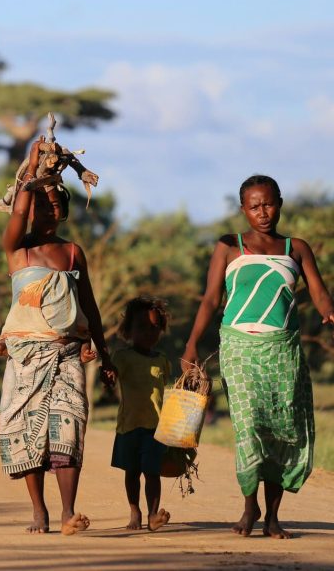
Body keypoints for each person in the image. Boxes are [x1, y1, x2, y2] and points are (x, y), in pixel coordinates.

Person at [181, 174, 334, 539]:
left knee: (281, 431)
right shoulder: (228, 246)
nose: (262, 212)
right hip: (239, 349)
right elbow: (211, 299)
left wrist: (330, 312)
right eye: (254, 206)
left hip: (284, 351)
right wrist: (191, 345)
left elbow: (319, 292)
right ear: (243, 210)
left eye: (268, 204)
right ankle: (250, 507)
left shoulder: (296, 248)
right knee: (249, 428)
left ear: (279, 202)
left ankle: (273, 517)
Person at [0, 136, 116, 535]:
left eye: (57, 203)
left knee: (70, 426)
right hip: (26, 357)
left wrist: (105, 352)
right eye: (43, 204)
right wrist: (32, 168)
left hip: (67, 354)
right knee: (29, 432)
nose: (51, 209)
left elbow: (90, 307)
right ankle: (39, 511)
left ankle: (68, 512)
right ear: (30, 208)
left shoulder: (73, 253)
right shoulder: (18, 250)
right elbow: (18, 214)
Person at [111, 295, 171, 532]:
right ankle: (134, 511)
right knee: (132, 472)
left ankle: (153, 514)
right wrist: (108, 376)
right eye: (142, 327)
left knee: (153, 472)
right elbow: (112, 374)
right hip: (129, 425)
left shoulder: (163, 361)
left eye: (155, 328)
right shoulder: (122, 357)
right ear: (128, 330)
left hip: (156, 428)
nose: (149, 333)